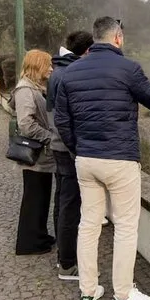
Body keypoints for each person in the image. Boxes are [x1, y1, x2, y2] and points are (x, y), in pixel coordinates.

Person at [54, 16, 150, 300]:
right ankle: (123, 297)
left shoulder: (70, 72)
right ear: (117, 38)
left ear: (95, 37)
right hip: (120, 160)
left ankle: (88, 293)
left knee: (88, 225)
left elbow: (62, 121)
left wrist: (80, 149)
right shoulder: (128, 68)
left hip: (86, 160)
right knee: (126, 227)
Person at [46, 31, 93, 280]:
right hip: (67, 148)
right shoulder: (68, 73)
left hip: (58, 146)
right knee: (70, 205)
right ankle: (67, 263)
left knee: (62, 201)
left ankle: (62, 257)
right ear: (87, 51)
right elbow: (65, 119)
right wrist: (77, 148)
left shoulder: (58, 70)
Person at [10, 49, 56, 255]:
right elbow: (26, 124)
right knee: (34, 199)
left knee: (41, 198)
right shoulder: (25, 90)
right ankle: (29, 243)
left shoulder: (34, 88)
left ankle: (39, 236)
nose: (51, 69)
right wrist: (50, 137)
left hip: (41, 156)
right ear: (38, 66)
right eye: (48, 65)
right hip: (36, 155)